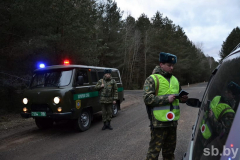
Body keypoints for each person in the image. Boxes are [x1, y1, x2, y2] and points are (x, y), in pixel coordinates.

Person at [143, 52, 188, 160]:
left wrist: (182, 99)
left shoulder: (175, 80)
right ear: (161, 64)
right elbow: (147, 99)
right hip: (158, 123)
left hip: (172, 123)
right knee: (153, 153)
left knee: (169, 152)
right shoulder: (152, 79)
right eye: (169, 65)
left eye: (173, 66)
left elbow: (178, 96)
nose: (172, 68)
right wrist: (166, 99)